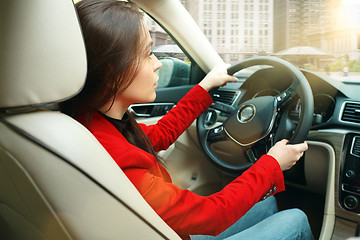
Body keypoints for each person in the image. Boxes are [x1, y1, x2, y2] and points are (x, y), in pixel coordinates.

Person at [62, 0, 313, 239]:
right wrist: (272, 164)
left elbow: (158, 135)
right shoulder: (117, 158)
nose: (158, 63)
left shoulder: (94, 122)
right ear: (111, 69)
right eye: (148, 53)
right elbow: (212, 214)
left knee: (266, 201)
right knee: (297, 220)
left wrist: (204, 88)